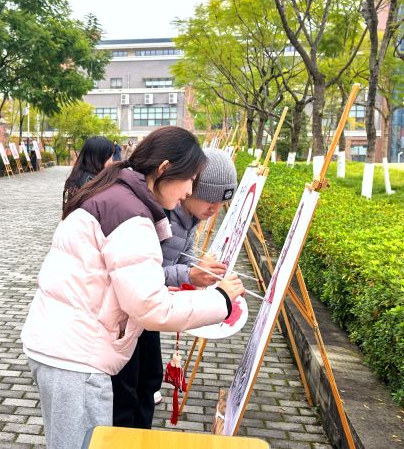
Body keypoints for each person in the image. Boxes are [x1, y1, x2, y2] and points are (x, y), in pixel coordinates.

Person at [21, 127, 245, 449]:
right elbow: (150, 307)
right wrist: (221, 300)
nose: (189, 191)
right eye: (190, 180)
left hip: (61, 346)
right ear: (164, 169)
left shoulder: (117, 194)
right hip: (77, 359)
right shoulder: (131, 216)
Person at [111, 147, 238, 428]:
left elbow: (180, 257)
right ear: (189, 185)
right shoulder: (159, 216)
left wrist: (196, 269)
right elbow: (142, 277)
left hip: (147, 313)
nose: (215, 209)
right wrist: (189, 274)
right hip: (130, 315)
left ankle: (141, 435)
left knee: (149, 379)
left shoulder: (189, 217)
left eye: (223, 203)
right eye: (210, 200)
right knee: (129, 388)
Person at [61, 136, 115, 208]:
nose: (112, 162)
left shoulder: (75, 177)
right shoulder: (93, 183)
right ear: (98, 158)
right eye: (109, 157)